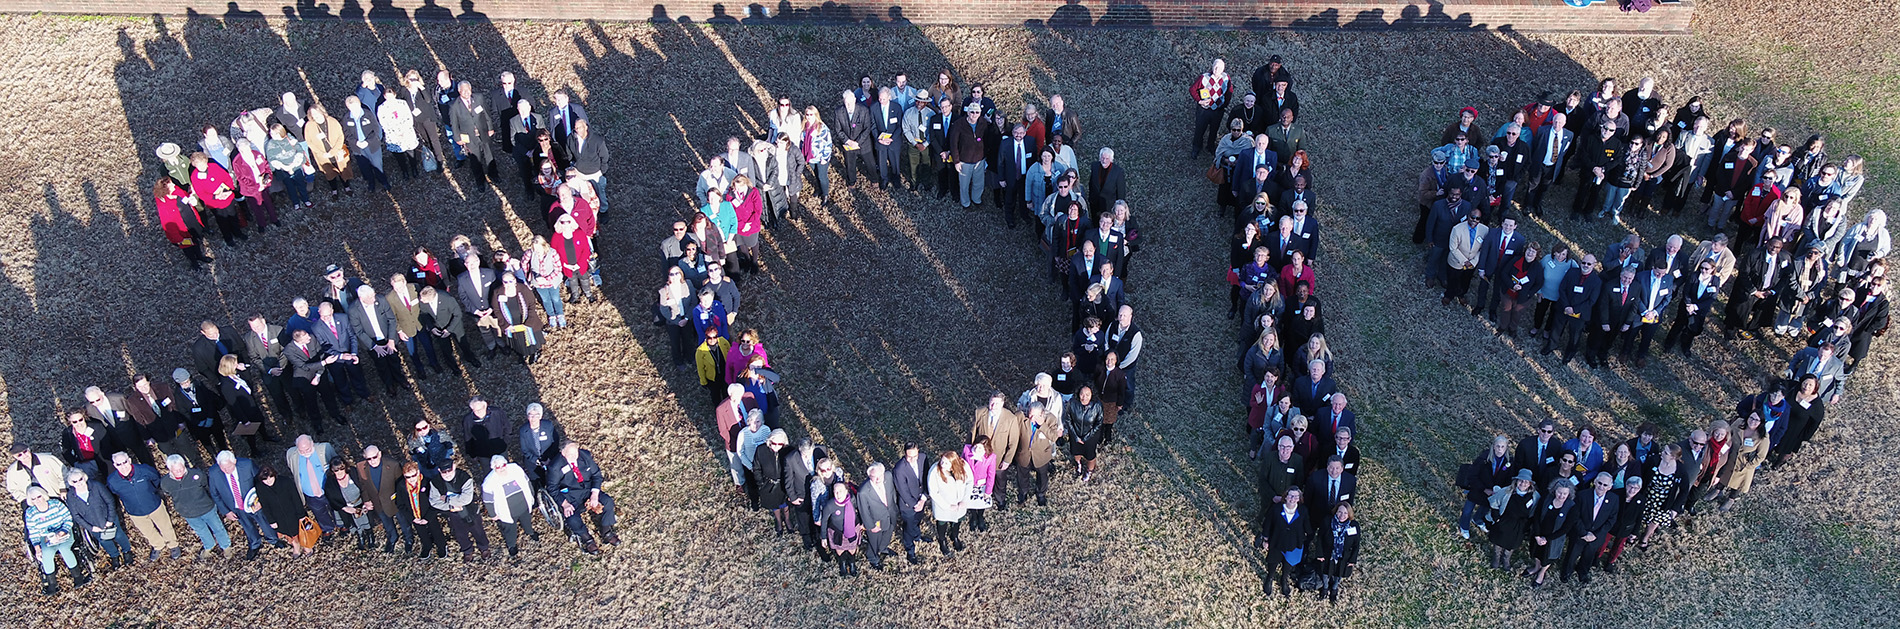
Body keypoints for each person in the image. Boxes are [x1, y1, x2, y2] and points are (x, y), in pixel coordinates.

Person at [104, 451, 181, 561]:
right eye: (119, 464)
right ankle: (158, 545)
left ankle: (173, 545)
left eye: (124, 462)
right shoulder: (112, 480)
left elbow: (156, 479)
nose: (123, 466)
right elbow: (115, 492)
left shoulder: (144, 470)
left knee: (165, 526)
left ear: (129, 461)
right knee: (147, 531)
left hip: (154, 505)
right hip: (135, 512)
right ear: (115, 465)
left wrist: (152, 493)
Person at [547, 442, 620, 554]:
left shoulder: (585, 456)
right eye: (570, 454)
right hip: (570, 495)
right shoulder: (555, 467)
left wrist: (594, 495)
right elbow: (552, 489)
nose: (574, 457)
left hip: (587, 489)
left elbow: (596, 475)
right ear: (563, 453)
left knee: (608, 502)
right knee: (571, 517)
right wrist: (565, 504)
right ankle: (587, 539)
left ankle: (607, 532)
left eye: (575, 453)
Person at [158, 453, 230, 558]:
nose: (179, 471)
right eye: (176, 470)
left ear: (184, 465)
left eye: (181, 468)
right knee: (201, 530)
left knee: (218, 527)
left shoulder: (197, 475)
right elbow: (168, 493)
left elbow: (207, 487)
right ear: (169, 469)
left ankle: (226, 546)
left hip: (207, 508)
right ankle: (209, 545)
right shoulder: (165, 482)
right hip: (189, 513)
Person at [64, 468, 134, 569]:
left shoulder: (96, 486)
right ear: (71, 483)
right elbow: (76, 516)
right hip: (93, 524)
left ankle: (127, 551)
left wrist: (110, 520)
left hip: (108, 517)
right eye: (75, 481)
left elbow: (110, 502)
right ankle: (114, 556)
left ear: (84, 478)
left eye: (80, 479)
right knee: (104, 541)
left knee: (118, 535)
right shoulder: (71, 496)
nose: (79, 483)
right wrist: (91, 528)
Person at [24, 486, 87, 594]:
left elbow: (68, 519)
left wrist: (61, 533)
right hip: (46, 537)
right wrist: (37, 549)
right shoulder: (30, 513)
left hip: (63, 532)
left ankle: (78, 577)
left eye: (39, 497)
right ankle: (52, 584)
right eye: (33, 499)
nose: (37, 500)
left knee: (64, 549)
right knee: (46, 554)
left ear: (43, 495)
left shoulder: (56, 504)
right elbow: (33, 532)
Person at [1562, 473, 1619, 584]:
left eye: (1605, 485)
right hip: (1580, 533)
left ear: (1610, 487)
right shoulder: (1583, 495)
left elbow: (1612, 519)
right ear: (1595, 482)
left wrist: (1596, 535)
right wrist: (1584, 533)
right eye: (1599, 483)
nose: (1601, 487)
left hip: (1596, 536)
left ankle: (1582, 572)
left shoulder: (1614, 499)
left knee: (1589, 555)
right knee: (1572, 554)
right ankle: (1566, 572)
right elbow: (1575, 516)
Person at [428, 460, 489, 562]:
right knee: (460, 533)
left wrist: (448, 499)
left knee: (478, 530)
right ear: (439, 471)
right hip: (452, 513)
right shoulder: (435, 482)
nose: (447, 474)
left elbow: (466, 498)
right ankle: (467, 551)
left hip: (470, 510)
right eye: (444, 472)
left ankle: (484, 548)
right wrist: (451, 507)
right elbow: (434, 501)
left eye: (449, 470)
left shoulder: (464, 477)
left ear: (454, 467)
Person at [479, 455, 538, 558]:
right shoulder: (489, 481)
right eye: (498, 467)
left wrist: (532, 494)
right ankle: (511, 545)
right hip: (506, 510)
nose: (502, 468)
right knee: (509, 528)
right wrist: (492, 514)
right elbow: (488, 500)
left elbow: (527, 482)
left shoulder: (515, 468)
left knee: (527, 519)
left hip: (523, 504)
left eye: (504, 465)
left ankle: (530, 532)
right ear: (493, 468)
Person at [1459, 435, 1515, 540]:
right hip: (1478, 488)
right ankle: (1464, 526)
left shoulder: (1509, 461)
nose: (1500, 449)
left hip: (1493, 491)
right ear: (1493, 446)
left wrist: (1500, 490)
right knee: (1468, 510)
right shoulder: (1483, 458)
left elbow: (1508, 478)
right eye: (1498, 446)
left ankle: (1477, 520)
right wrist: (1484, 489)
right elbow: (1473, 475)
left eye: (1503, 447)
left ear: (1506, 447)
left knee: (1484, 509)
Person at [285, 435, 339, 538]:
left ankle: (341, 524)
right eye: (301, 450)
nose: (305, 452)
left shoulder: (324, 448)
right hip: (310, 494)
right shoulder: (291, 454)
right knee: (319, 512)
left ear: (312, 443)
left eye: (307, 449)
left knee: (335, 507)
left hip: (328, 490)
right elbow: (292, 469)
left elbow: (336, 461)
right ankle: (327, 528)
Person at [1262, 486, 1311, 597]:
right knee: (1273, 562)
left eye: (1296, 496)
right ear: (1285, 496)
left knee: (1288, 565)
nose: (1292, 498)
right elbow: (1267, 525)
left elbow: (1307, 526)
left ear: (1299, 498)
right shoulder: (1276, 508)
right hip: (1276, 542)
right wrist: (1265, 539)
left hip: (1293, 544)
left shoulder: (1303, 511)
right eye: (1290, 495)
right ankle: (1269, 578)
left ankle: (1284, 580)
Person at [1715, 413, 1771, 511]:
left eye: (1756, 420)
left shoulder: (1763, 436)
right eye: (1751, 418)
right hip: (1731, 457)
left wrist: (1749, 466)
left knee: (1739, 483)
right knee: (1724, 474)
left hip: (1744, 463)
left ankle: (1731, 499)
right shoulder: (1739, 423)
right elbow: (1729, 434)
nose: (1753, 421)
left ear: (1761, 423)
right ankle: (1717, 490)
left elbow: (1761, 456)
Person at [926, 451, 972, 560]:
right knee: (942, 523)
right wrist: (947, 506)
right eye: (942, 461)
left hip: (959, 504)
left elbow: (970, 482)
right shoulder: (935, 471)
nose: (943, 464)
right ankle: (942, 540)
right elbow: (933, 492)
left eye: (946, 463)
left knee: (958, 520)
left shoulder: (964, 466)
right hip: (943, 506)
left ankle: (954, 536)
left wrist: (964, 500)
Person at [1639, 444, 1687, 549]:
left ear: (1673, 457)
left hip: (1664, 502)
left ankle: (1645, 537)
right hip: (1647, 495)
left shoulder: (1680, 470)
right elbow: (1642, 473)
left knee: (1655, 520)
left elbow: (1684, 490)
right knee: (1640, 515)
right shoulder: (1654, 460)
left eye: (1666, 453)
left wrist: (1675, 508)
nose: (1662, 453)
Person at [323, 460, 377, 551]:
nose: (339, 472)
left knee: (366, 520)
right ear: (332, 471)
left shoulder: (353, 473)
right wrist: (344, 508)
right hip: (346, 507)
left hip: (360, 503)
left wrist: (366, 501)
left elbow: (363, 486)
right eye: (336, 470)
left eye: (341, 469)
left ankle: (370, 535)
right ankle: (360, 536)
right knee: (354, 523)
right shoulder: (330, 481)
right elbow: (331, 497)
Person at [1312, 502, 1359, 604]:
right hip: (1327, 554)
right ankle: (1325, 588)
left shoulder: (1354, 525)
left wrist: (1352, 560)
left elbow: (1356, 544)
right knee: (1325, 572)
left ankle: (1334, 589)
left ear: (1349, 514)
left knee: (1339, 573)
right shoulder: (1327, 521)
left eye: (1345, 513)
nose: (1342, 515)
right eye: (1340, 512)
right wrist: (1319, 554)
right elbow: (1319, 538)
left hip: (1343, 556)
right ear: (1336, 512)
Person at [855, 462, 898, 570]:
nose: (878, 479)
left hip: (891, 514)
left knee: (888, 533)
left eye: (880, 475)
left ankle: (883, 548)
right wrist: (871, 526)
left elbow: (892, 493)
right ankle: (873, 557)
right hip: (875, 521)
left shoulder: (888, 476)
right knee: (874, 541)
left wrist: (895, 507)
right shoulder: (863, 492)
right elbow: (864, 511)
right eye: (874, 477)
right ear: (869, 476)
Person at [820, 478, 864, 576]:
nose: (838, 494)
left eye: (841, 491)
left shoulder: (853, 500)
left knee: (852, 548)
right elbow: (824, 521)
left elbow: (860, 510)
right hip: (837, 532)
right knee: (839, 549)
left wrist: (862, 523)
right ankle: (842, 564)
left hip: (852, 529)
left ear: (846, 491)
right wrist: (823, 537)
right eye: (836, 492)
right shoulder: (830, 505)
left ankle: (852, 563)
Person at [1064, 385, 1105, 482]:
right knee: (1076, 451)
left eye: (1087, 394)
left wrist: (1086, 437)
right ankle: (1078, 464)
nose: (1084, 397)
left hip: (1090, 437)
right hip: (1075, 435)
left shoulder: (1097, 405)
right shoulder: (1072, 403)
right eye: (1082, 394)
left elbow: (1099, 423)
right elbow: (1068, 419)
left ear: (1092, 395)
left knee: (1090, 456)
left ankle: (1089, 471)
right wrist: (1075, 436)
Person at [754, 429, 790, 535]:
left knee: (785, 503)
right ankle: (778, 520)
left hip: (783, 483)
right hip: (769, 484)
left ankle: (787, 519)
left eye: (780, 444)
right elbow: (756, 468)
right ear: (770, 441)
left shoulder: (788, 451)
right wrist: (761, 482)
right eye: (774, 443)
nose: (776, 446)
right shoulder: (761, 450)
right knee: (774, 504)